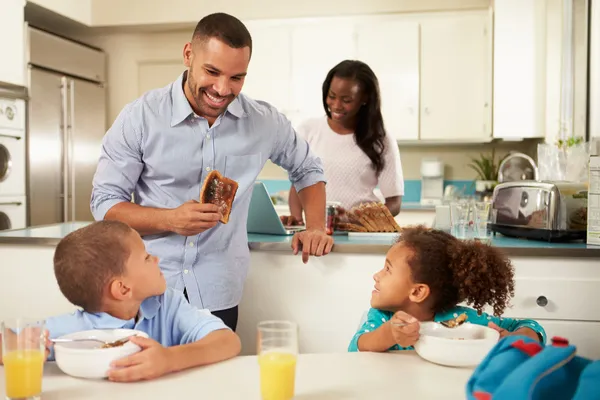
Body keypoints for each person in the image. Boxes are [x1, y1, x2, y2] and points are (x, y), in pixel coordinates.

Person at [90, 13, 334, 331]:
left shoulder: (263, 122)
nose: (222, 89)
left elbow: (308, 168)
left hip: (219, 293)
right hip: (146, 290)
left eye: (237, 77)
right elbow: (105, 205)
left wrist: (315, 226)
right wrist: (169, 219)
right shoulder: (140, 118)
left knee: (215, 380)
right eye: (212, 71)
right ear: (189, 54)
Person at [0, 221, 241, 382]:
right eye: (146, 257)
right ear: (123, 288)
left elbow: (228, 341)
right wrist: (14, 342)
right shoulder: (72, 332)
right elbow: (9, 342)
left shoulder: (167, 305)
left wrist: (170, 359)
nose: (157, 259)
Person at [348, 226, 546, 352]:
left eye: (387, 269)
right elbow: (357, 347)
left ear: (418, 292)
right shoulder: (383, 317)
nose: (377, 275)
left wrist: (515, 337)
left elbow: (532, 326)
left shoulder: (462, 321)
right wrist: (390, 334)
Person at [281, 60, 404, 227]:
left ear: (365, 99)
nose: (336, 105)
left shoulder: (381, 139)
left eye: (347, 100)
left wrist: (354, 219)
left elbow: (394, 203)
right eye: (332, 96)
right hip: (317, 233)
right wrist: (297, 220)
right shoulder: (308, 130)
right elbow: (298, 186)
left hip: (359, 234)